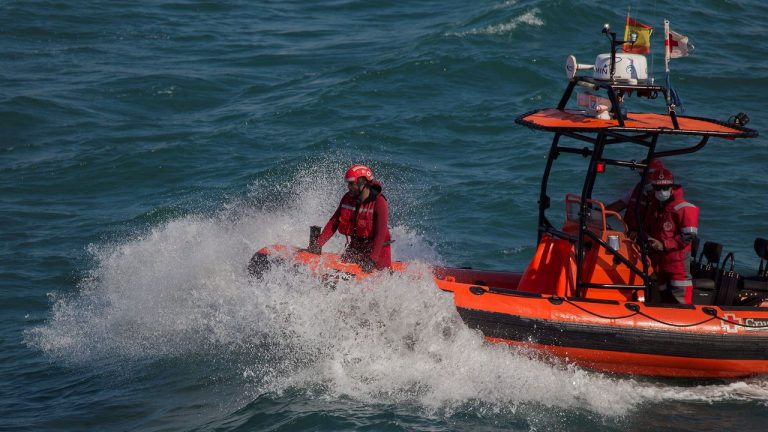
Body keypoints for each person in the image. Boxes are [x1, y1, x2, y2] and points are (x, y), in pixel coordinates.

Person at [315, 164, 392, 272]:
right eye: (348, 184)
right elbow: (334, 221)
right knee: (340, 272)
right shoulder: (347, 198)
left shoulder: (379, 202)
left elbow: (381, 234)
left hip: (378, 251)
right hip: (356, 246)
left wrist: (372, 259)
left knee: (376, 275)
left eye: (352, 184)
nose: (348, 187)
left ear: (363, 183)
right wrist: (318, 244)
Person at [645, 168, 699, 304]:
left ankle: (686, 319)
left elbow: (688, 236)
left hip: (677, 261)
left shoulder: (684, 208)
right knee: (663, 294)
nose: (661, 191)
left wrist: (664, 244)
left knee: (680, 295)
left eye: (665, 187)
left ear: (671, 186)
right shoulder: (655, 207)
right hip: (659, 262)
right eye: (658, 187)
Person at [606, 159, 666, 236]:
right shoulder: (637, 189)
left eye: (649, 174)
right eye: (642, 174)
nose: (645, 178)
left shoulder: (664, 196)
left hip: (650, 240)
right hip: (631, 235)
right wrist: (598, 215)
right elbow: (619, 204)